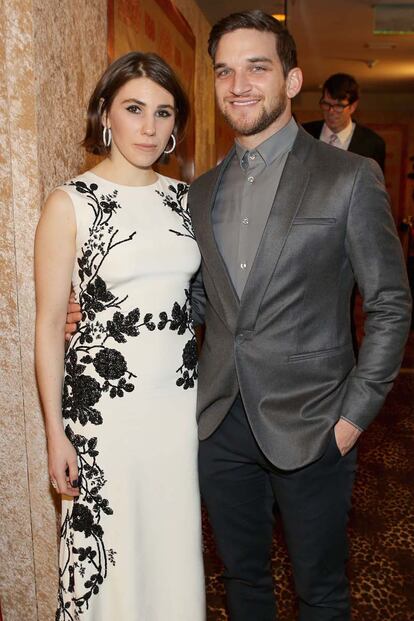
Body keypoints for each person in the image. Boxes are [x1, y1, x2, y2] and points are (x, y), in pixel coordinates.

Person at [65, 11, 411, 621]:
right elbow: (197, 299)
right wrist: (97, 313)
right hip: (218, 423)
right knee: (242, 582)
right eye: (225, 70)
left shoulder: (352, 178)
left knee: (320, 592)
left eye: (257, 67)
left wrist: (354, 417)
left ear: (293, 78)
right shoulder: (197, 192)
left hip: (315, 424)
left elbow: (389, 304)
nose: (239, 84)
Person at [35, 51, 205, 621]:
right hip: (102, 418)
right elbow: (47, 328)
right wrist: (56, 434)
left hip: (176, 411)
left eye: (163, 112)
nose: (150, 127)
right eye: (135, 109)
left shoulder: (186, 202)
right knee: (108, 563)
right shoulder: (70, 203)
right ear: (106, 113)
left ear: (175, 124)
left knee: (169, 553)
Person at [302, 72, 386, 171]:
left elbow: (372, 185)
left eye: (339, 106)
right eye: (326, 104)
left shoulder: (372, 144)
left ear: (353, 107)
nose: (331, 111)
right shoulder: (304, 133)